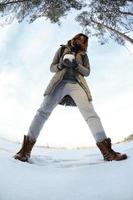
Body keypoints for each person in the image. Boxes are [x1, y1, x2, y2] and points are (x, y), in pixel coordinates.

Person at [14, 33, 127, 162]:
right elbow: (52, 67)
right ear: (74, 38)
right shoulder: (62, 49)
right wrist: (61, 65)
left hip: (77, 85)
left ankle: (108, 152)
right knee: (42, 112)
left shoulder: (84, 55)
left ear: (85, 44)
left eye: (84, 41)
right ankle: (25, 151)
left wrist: (76, 66)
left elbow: (87, 72)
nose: (80, 41)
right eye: (79, 38)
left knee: (91, 114)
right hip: (59, 83)